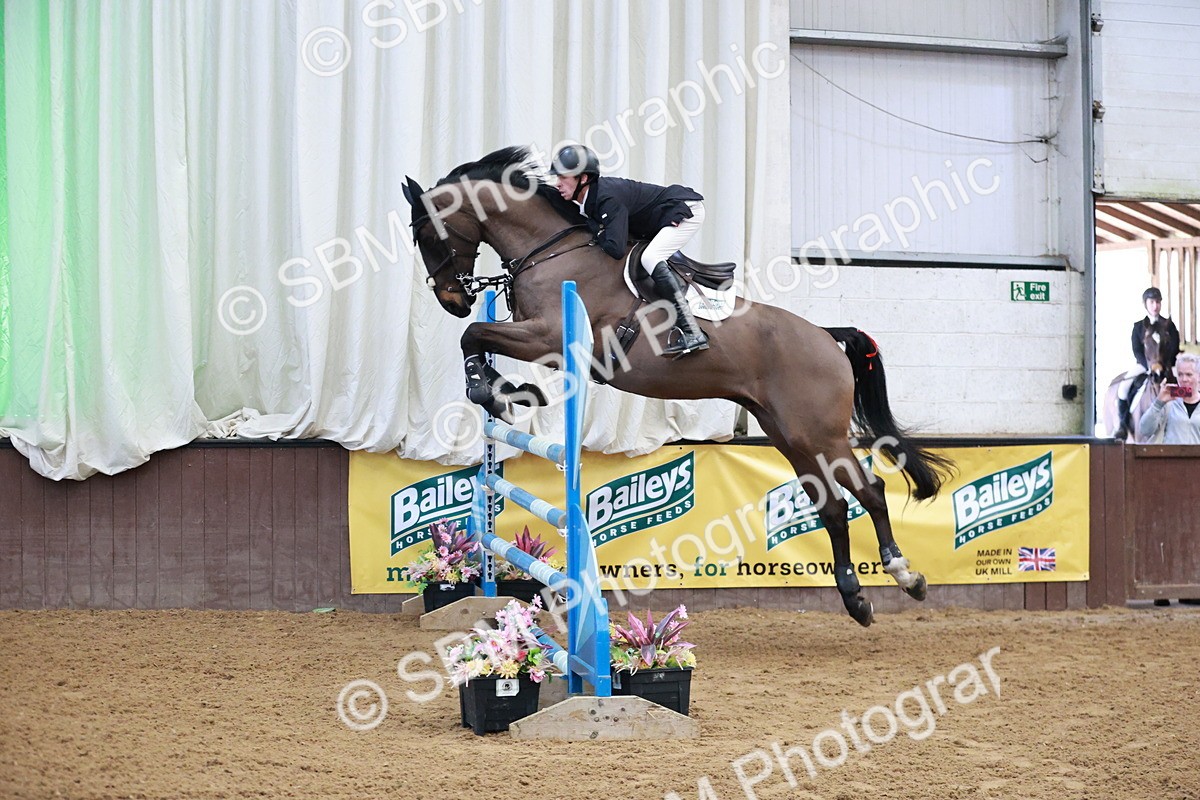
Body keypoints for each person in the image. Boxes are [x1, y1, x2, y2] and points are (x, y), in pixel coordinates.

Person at [549, 144, 709, 356]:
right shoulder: (589, 200)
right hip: (661, 213)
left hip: (685, 209)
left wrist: (595, 228)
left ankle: (692, 330)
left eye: (563, 177)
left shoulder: (606, 199)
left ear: (584, 178)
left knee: (651, 257)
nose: (558, 184)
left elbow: (615, 248)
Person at [1114, 287, 1181, 440]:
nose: (1155, 305)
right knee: (1123, 388)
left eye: (1158, 302)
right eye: (1152, 302)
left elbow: (1175, 346)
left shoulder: (1169, 325)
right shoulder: (1138, 326)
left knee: (1186, 385)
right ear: (1146, 304)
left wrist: (1165, 364)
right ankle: (1123, 425)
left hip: (1168, 365)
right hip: (1145, 365)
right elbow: (1137, 349)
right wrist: (1149, 366)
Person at [1135, 352, 1200, 444]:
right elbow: (1145, 430)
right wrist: (1158, 403)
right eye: (1180, 374)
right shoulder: (1168, 404)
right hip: (1170, 457)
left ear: (1199, 376)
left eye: (1189, 374)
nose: (1184, 379)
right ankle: (1122, 422)